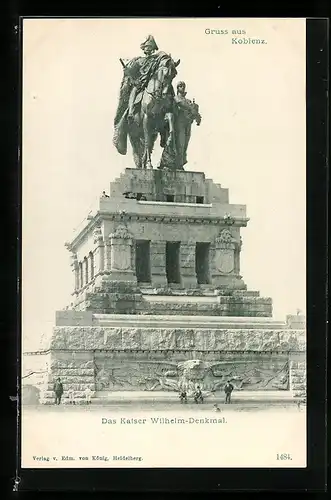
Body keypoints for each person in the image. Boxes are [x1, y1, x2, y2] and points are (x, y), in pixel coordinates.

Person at [127, 35, 159, 120]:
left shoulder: (156, 60)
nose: (148, 48)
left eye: (150, 46)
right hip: (140, 84)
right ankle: (130, 112)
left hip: (153, 84)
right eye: (146, 47)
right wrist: (133, 79)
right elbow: (131, 74)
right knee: (134, 91)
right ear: (143, 48)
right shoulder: (139, 61)